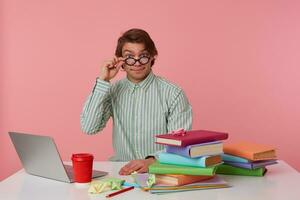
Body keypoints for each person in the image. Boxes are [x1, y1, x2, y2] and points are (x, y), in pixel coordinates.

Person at [80, 28, 192, 175]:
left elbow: (180, 145)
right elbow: (89, 127)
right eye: (129, 56)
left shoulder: (173, 93)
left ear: (152, 57)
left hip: (159, 171)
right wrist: (103, 80)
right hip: (121, 172)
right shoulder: (112, 91)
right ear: (120, 61)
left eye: (143, 56)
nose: (137, 62)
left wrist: (153, 160)